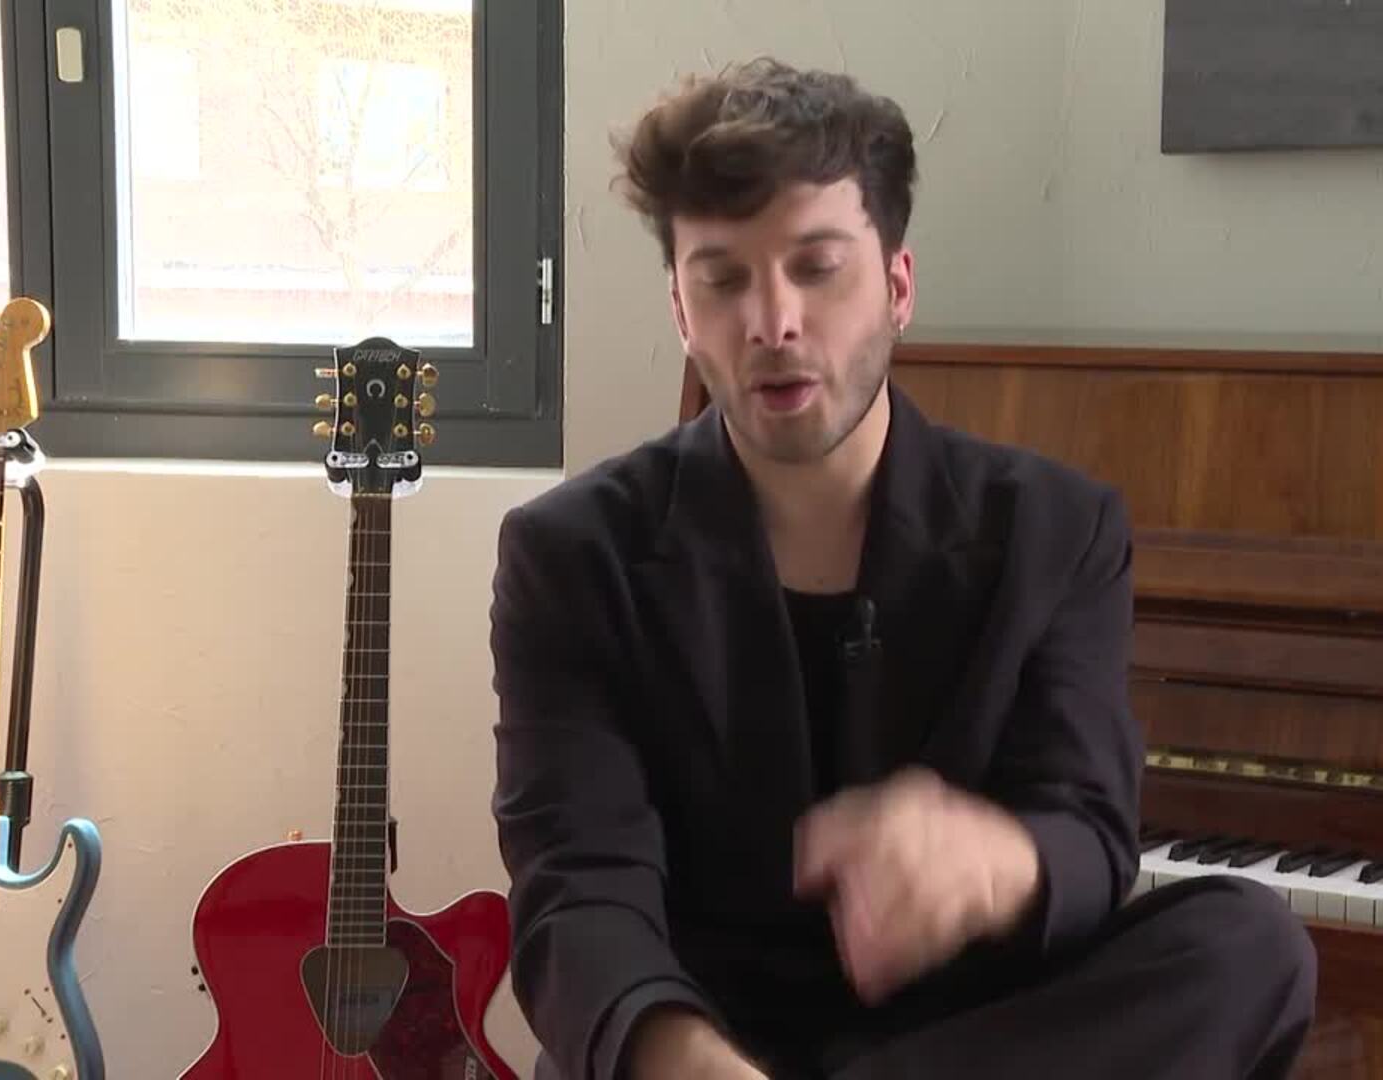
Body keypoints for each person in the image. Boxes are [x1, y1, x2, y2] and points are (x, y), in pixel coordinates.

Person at [489, 57, 1315, 1080]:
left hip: (969, 1043)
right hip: (698, 1049)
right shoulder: (571, 554)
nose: (773, 322)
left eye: (817, 268)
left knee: (1249, 946)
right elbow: (578, 894)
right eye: (724, 279)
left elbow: (1089, 834)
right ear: (681, 310)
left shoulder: (1056, 528)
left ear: (897, 287)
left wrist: (996, 861)